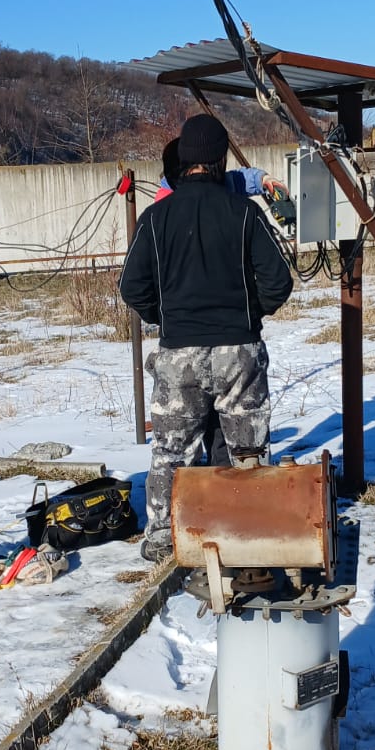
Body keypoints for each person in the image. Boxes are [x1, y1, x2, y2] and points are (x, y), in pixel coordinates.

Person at [119, 113, 294, 563]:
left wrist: (167, 318)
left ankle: (162, 538)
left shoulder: (155, 218)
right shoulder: (244, 213)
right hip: (239, 351)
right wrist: (247, 315)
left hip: (179, 353)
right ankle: (248, 532)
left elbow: (131, 287)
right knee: (248, 447)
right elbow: (278, 282)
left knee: (170, 451)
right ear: (219, 160)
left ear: (183, 161)